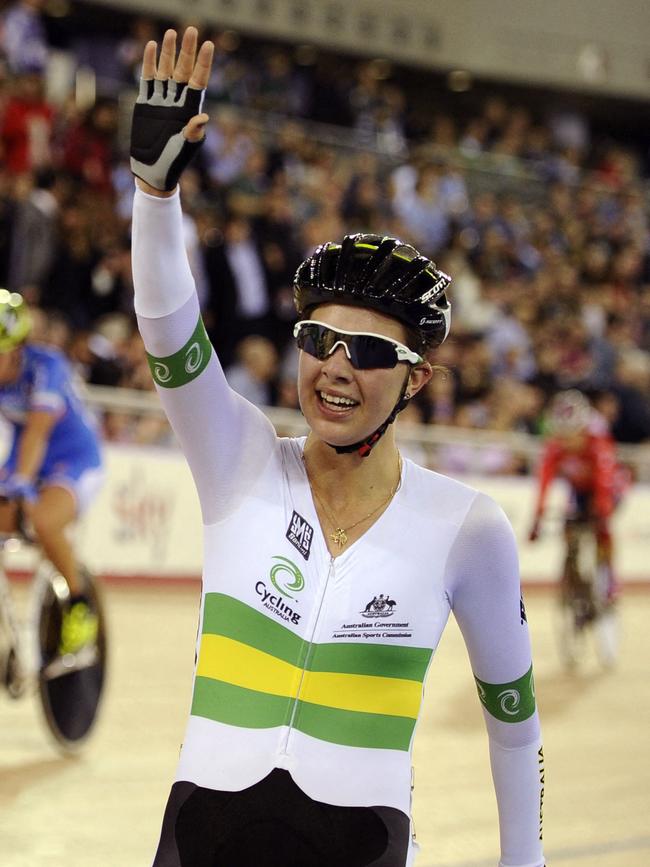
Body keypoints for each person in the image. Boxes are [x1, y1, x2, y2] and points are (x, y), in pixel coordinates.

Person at [130, 27, 545, 867]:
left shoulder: (468, 527)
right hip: (203, 838)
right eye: (319, 340)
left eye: (367, 352)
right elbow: (170, 335)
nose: (334, 370)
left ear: (421, 378)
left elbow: (515, 729)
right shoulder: (239, 457)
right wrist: (154, 195)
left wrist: (524, 862)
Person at [0, 290, 104, 655]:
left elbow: (38, 433)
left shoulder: (48, 367)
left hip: (75, 459)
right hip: (25, 456)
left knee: (44, 521)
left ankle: (79, 605)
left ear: (15, 348)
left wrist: (20, 482)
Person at [528, 389, 627, 604]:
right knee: (569, 527)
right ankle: (573, 577)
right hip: (580, 490)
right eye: (562, 435)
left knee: (602, 526)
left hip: (609, 487)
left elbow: (604, 483)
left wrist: (601, 511)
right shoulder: (555, 448)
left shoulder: (598, 444)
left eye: (572, 434)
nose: (567, 442)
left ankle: (608, 574)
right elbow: (543, 485)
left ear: (583, 429)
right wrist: (537, 520)